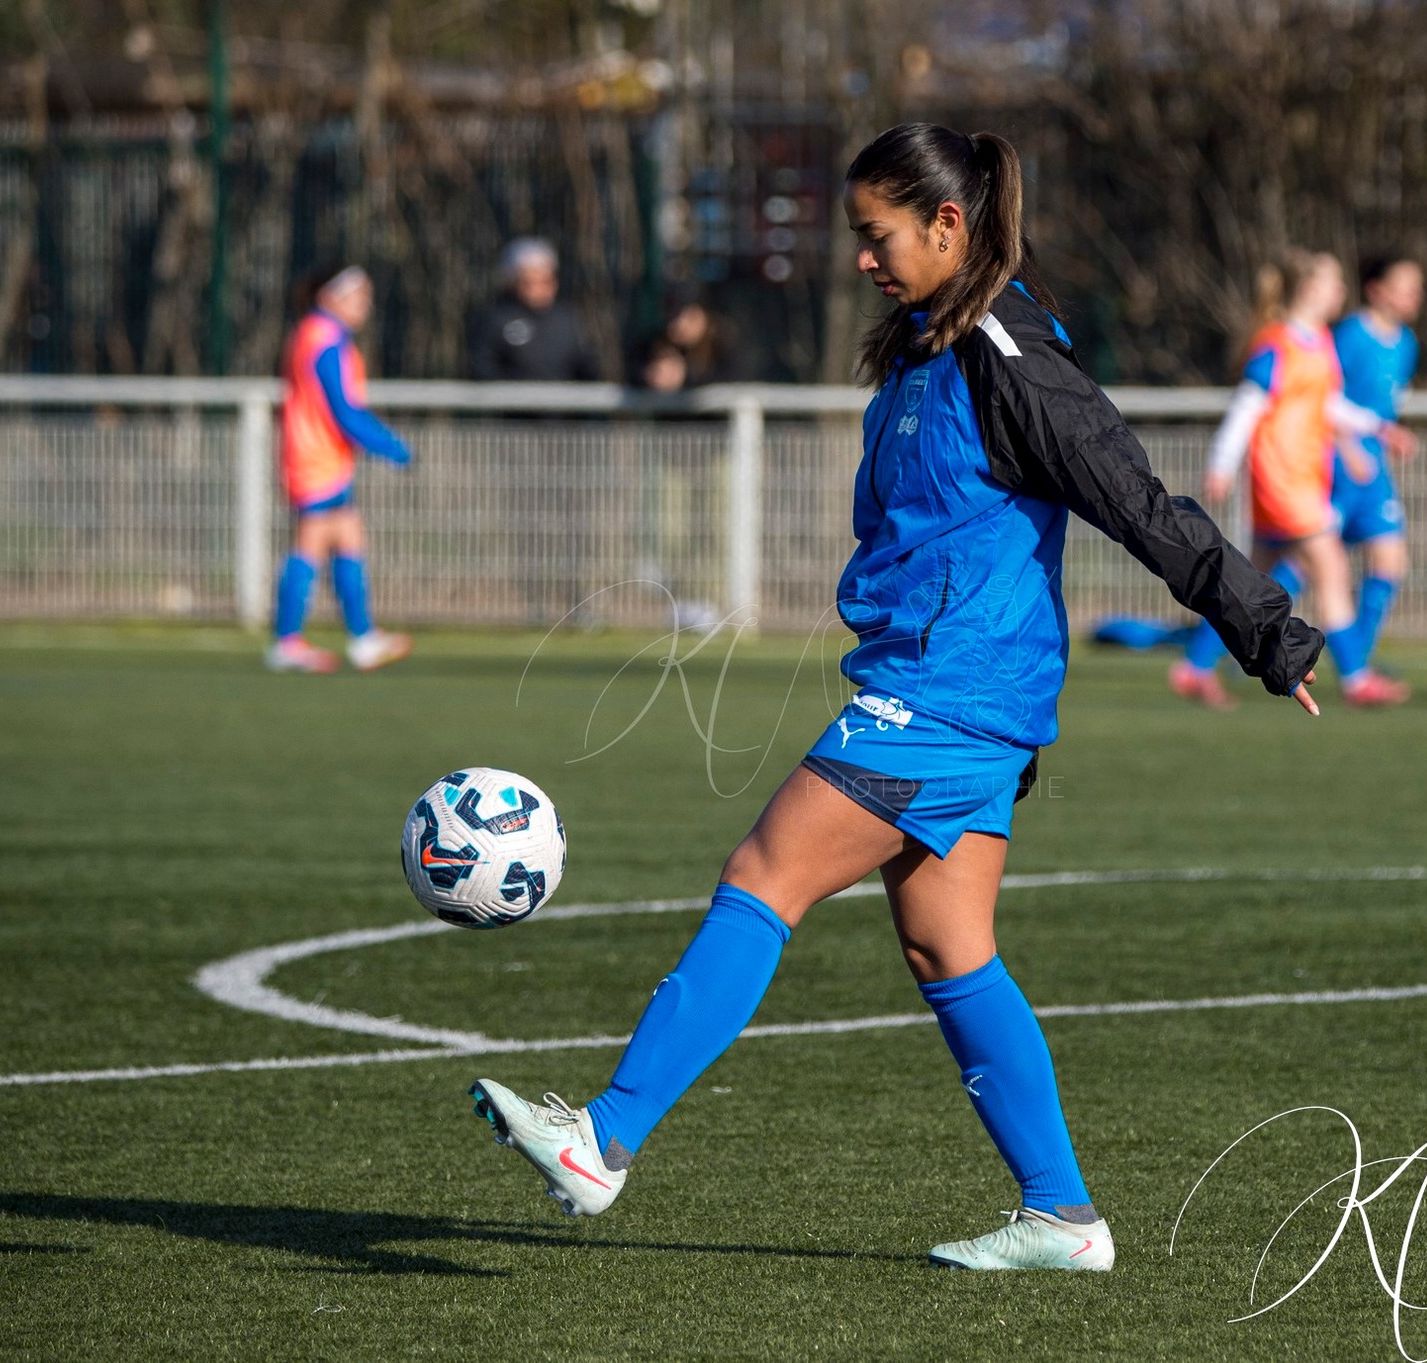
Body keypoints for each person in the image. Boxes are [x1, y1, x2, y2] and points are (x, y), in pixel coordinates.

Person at [467, 123, 1324, 1272]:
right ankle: (1062, 1216)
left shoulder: (1010, 357)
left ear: (946, 224)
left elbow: (1136, 498)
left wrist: (1263, 630)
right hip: (946, 686)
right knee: (945, 944)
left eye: (876, 236)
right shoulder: (930, 343)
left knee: (764, 874)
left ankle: (603, 1138)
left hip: (952, 692)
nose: (861, 259)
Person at [1166, 251, 1415, 709]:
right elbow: (1247, 407)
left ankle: (1194, 666)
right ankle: (1358, 678)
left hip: (1299, 480)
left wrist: (1378, 428)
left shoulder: (1318, 342)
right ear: (1309, 289)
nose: (1341, 290)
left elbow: (1327, 406)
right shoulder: (1277, 344)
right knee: (1332, 569)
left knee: (1251, 580)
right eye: (1332, 281)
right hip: (1284, 482)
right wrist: (1221, 463)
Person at [268, 264, 413, 674]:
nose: (365, 304)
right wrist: (388, 444)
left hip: (326, 458)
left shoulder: (323, 335)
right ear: (329, 297)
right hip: (313, 459)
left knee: (349, 539)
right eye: (357, 296)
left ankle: (363, 638)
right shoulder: (323, 338)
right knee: (309, 544)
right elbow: (342, 409)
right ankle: (287, 641)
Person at [1331, 256, 1424, 666]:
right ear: (1377, 290)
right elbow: (1322, 396)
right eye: (1405, 286)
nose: (1414, 296)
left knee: (1390, 559)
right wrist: (1347, 448)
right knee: (1300, 563)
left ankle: (1358, 659)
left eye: (1417, 288)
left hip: (1374, 468)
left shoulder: (1407, 344)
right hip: (1336, 462)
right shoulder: (1351, 335)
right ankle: (1234, 643)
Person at [468, 238, 602, 382]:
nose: (538, 289)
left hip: (561, 402)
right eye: (529, 282)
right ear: (513, 282)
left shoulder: (568, 319)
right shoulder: (495, 319)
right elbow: (483, 367)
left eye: (545, 281)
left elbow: (587, 364)